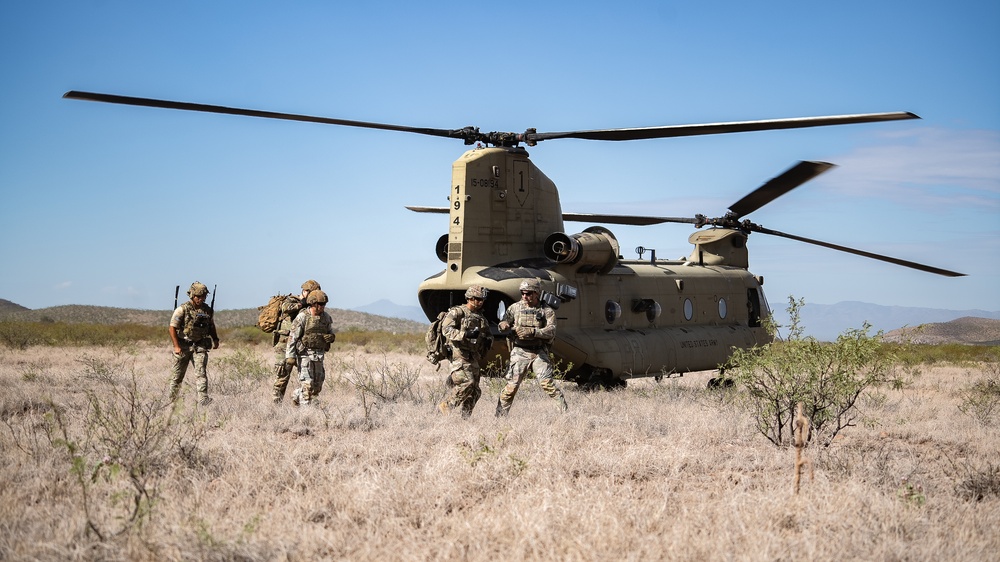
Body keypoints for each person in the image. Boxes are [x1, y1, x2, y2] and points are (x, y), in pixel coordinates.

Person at [496, 278, 567, 416]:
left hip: (539, 352)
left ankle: (565, 415)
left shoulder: (547, 311)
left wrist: (534, 332)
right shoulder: (515, 308)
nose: (525, 296)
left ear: (536, 293)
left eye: (528, 293)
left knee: (548, 384)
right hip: (520, 351)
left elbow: (551, 330)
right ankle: (499, 417)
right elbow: (504, 321)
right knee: (511, 387)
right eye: (522, 293)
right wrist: (503, 325)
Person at [438, 285, 493, 418]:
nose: (480, 302)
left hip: (473, 356)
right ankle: (446, 406)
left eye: (482, 300)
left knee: (475, 391)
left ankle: (465, 417)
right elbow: (446, 330)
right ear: (469, 298)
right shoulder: (457, 312)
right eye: (477, 299)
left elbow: (488, 334)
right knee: (467, 383)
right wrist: (465, 334)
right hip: (459, 355)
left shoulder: (480, 317)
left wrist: (486, 340)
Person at [168, 281, 220, 405]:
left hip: (200, 345)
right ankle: (172, 401)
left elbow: (211, 325)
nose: (201, 299)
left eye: (203, 296)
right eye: (198, 296)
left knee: (201, 374)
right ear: (192, 295)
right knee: (177, 376)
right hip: (183, 345)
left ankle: (203, 400)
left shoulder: (207, 310)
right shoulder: (182, 309)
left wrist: (215, 339)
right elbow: (172, 328)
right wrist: (176, 346)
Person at [271, 280, 321, 403]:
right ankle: (276, 404)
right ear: (304, 291)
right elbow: (286, 308)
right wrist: (301, 304)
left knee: (308, 377)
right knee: (282, 377)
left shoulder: (312, 307)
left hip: (301, 346)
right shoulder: (291, 300)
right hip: (284, 345)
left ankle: (298, 399)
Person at [285, 289, 336, 406]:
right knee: (307, 385)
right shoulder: (302, 317)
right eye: (320, 304)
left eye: (324, 304)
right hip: (304, 354)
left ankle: (297, 395)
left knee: (317, 387)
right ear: (313, 303)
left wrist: (331, 337)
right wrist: (290, 356)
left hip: (318, 355)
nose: (323, 307)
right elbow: (292, 337)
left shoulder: (326, 318)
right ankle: (306, 415)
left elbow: (330, 332)